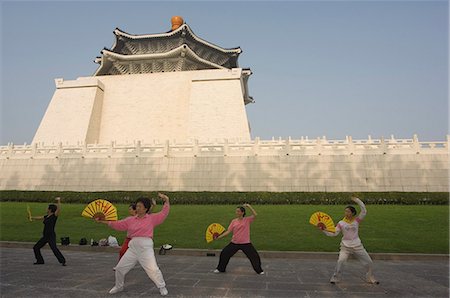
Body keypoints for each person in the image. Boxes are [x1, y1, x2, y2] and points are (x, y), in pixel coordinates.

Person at [96, 193, 170, 296]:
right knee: (120, 268)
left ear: (146, 209)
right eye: (137, 205)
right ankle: (118, 286)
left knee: (153, 269)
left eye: (140, 206)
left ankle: (162, 287)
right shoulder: (130, 220)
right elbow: (117, 224)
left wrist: (166, 200)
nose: (137, 208)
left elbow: (163, 213)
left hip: (146, 248)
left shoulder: (151, 218)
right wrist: (102, 221)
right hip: (133, 248)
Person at [320, 196, 379, 284]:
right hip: (345, 247)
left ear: (352, 213)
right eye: (345, 211)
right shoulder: (341, 223)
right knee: (340, 262)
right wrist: (324, 230)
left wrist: (357, 200)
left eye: (348, 211)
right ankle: (335, 278)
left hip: (358, 245)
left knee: (369, 262)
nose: (346, 213)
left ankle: (370, 278)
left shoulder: (357, 220)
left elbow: (364, 211)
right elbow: (334, 233)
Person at [213, 203, 264, 274]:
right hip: (235, 243)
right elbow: (228, 231)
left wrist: (249, 206)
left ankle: (259, 270)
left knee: (254, 256)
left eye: (238, 211)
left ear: (242, 212)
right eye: (236, 211)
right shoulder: (234, 221)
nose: (236, 212)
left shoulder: (247, 220)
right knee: (224, 253)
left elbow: (255, 214)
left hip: (245, 243)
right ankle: (220, 269)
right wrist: (219, 237)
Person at [31, 197, 66, 266]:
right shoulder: (47, 216)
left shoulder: (54, 216)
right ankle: (40, 260)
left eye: (47, 208)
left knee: (54, 248)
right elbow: (41, 217)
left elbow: (58, 209)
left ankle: (62, 261)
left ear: (50, 210)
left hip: (51, 236)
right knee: (36, 247)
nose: (46, 209)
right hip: (45, 236)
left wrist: (58, 201)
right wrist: (32, 217)